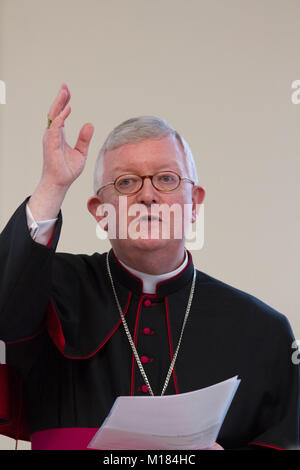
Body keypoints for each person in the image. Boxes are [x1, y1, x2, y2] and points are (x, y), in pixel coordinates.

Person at [0, 83, 299, 451]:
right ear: (100, 213)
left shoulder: (262, 331)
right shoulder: (50, 289)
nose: (147, 194)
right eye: (126, 182)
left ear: (194, 205)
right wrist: (52, 185)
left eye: (167, 178)